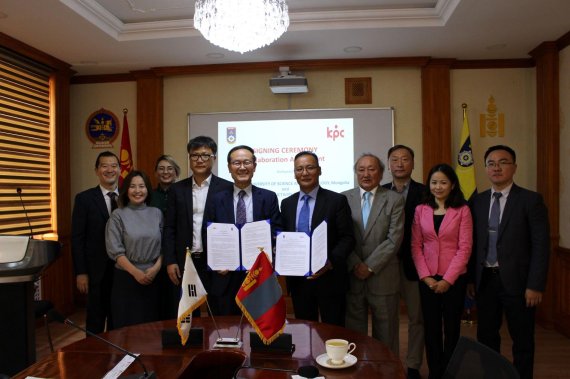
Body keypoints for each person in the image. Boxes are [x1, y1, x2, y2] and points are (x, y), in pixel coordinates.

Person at [468, 145, 549, 379]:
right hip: (486, 281)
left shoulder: (530, 200)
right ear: (485, 169)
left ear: (514, 167)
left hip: (520, 283)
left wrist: (535, 285)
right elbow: (475, 244)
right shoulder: (478, 201)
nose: (496, 167)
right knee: (486, 337)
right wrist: (472, 280)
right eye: (491, 163)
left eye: (503, 162)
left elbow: (541, 245)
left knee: (522, 339)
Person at [411, 163, 472, 379]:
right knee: (431, 328)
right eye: (434, 182)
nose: (438, 187)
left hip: (454, 278)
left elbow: (465, 248)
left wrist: (447, 280)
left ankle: (450, 371)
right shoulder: (421, 209)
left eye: (443, 182)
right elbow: (416, 246)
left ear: (453, 185)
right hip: (427, 277)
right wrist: (426, 277)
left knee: (452, 328)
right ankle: (435, 372)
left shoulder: (462, 210)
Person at [204, 145, 281, 315]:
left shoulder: (269, 197)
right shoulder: (216, 199)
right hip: (224, 276)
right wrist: (217, 261)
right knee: (225, 329)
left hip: (258, 275)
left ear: (254, 165)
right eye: (236, 163)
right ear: (229, 167)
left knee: (257, 330)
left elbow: (276, 232)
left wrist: (270, 256)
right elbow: (207, 234)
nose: (242, 167)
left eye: (247, 162)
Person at [281, 151, 355, 327]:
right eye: (299, 169)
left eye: (310, 167)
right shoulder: (287, 203)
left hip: (330, 278)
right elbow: (285, 236)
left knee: (333, 331)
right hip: (299, 281)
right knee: (305, 330)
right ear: (294, 174)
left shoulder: (336, 200)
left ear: (319, 170)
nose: (304, 173)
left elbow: (347, 238)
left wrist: (329, 262)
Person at [163, 136, 233, 318]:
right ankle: (193, 347)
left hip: (216, 263)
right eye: (195, 155)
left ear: (214, 158)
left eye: (205, 155)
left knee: (218, 311)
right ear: (189, 158)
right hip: (186, 262)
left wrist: (229, 259)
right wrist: (170, 260)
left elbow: (232, 230)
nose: (199, 160)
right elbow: (169, 228)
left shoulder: (227, 188)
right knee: (188, 313)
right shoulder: (177, 190)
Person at [343, 153, 404, 355]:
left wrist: (369, 266)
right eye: (361, 170)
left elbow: (394, 239)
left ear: (381, 172)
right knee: (353, 336)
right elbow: (341, 237)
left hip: (383, 276)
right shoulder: (343, 198)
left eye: (372, 169)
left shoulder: (394, 200)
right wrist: (355, 264)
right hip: (353, 277)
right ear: (355, 173)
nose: (366, 174)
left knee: (386, 337)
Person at [382, 145, 426, 379]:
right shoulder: (379, 191)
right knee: (387, 318)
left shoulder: (426, 191)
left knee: (417, 317)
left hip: (415, 265)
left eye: (405, 159)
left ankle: (413, 365)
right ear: (388, 164)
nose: (399, 163)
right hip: (386, 265)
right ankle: (390, 361)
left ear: (413, 163)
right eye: (395, 159)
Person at [105, 170, 163, 328]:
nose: (138, 191)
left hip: (153, 277)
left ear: (147, 189)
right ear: (126, 190)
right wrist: (136, 272)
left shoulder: (157, 213)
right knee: (127, 328)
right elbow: (115, 251)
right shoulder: (118, 215)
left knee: (152, 328)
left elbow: (165, 246)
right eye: (133, 186)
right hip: (126, 278)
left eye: (142, 186)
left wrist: (156, 268)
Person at [71, 151, 120, 334]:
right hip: (95, 271)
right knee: (95, 320)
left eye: (114, 166)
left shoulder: (129, 196)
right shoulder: (84, 199)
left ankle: (119, 359)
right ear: (97, 170)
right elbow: (77, 238)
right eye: (104, 166)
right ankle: (95, 358)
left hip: (123, 270)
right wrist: (81, 272)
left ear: (119, 169)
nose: (110, 170)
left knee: (119, 317)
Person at [149, 154, 181, 320]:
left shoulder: (185, 193)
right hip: (153, 255)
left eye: (170, 168)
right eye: (161, 169)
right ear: (155, 173)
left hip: (179, 255)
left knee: (178, 301)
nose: (165, 172)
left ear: (176, 172)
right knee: (157, 303)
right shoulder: (149, 196)